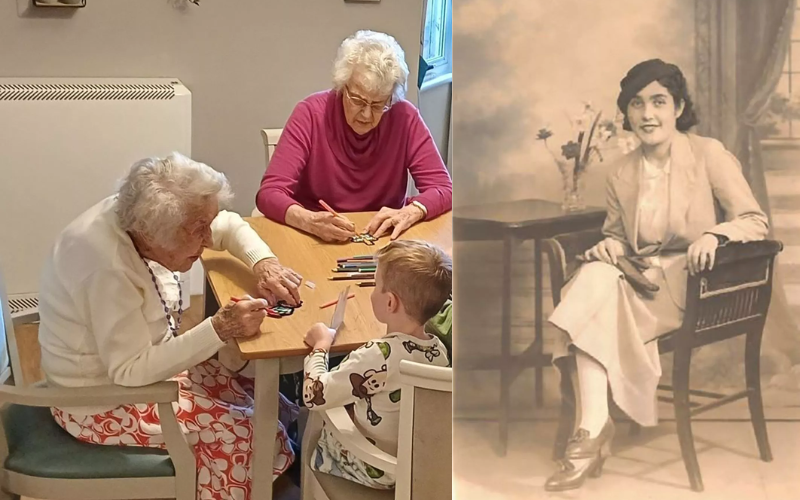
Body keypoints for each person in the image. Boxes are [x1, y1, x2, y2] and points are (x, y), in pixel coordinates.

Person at [544, 59, 769, 492]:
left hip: (693, 287)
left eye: (659, 102)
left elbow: (754, 221)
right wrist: (610, 246)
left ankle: (589, 434)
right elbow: (617, 237)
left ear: (679, 107)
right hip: (637, 283)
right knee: (596, 274)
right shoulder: (622, 172)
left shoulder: (708, 155)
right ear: (627, 113)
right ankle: (592, 429)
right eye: (637, 104)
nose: (648, 114)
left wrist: (716, 235)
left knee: (588, 299)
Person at [37, 152, 304, 500]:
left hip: (143, 371)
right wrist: (218, 329)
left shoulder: (137, 215)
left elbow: (229, 226)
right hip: (100, 402)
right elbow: (129, 371)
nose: (208, 239)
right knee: (248, 432)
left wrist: (264, 264)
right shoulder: (106, 268)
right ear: (155, 236)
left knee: (271, 401)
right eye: (198, 231)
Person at [256, 30, 452, 243]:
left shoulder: (405, 116)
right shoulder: (310, 114)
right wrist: (309, 220)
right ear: (342, 87)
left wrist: (411, 211)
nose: (367, 115)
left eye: (379, 104)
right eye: (358, 100)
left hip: (382, 238)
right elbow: (269, 194)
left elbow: (443, 188)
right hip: (316, 238)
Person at [301, 240, 452, 489]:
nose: (372, 292)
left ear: (390, 303)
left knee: (307, 415)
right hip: (420, 468)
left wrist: (320, 346)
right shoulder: (438, 351)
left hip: (374, 469)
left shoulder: (376, 356)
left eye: (376, 285)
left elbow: (314, 395)